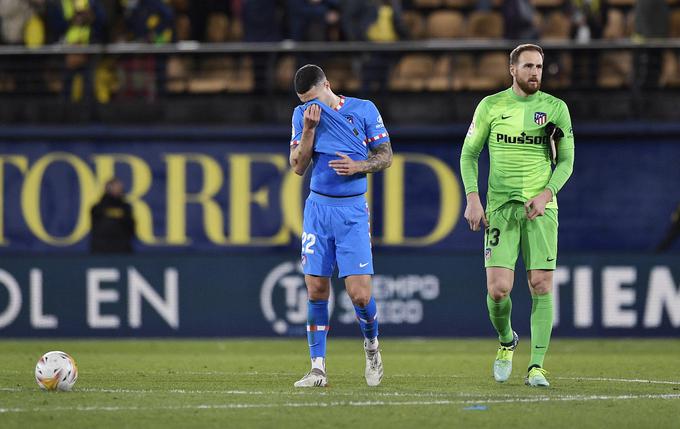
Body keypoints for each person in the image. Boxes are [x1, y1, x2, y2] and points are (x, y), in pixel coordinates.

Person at [459, 44, 575, 388]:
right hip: (500, 209)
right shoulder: (491, 106)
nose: (535, 72)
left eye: (539, 66)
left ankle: (536, 366)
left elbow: (566, 161)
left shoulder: (556, 108)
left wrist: (546, 193)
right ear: (512, 69)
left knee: (540, 285)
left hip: (541, 209)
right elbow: (469, 155)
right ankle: (507, 341)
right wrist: (472, 198)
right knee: (498, 290)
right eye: (528, 66)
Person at [288, 64, 392, 387]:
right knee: (316, 288)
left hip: (351, 212)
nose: (311, 107)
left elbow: (386, 155)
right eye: (305, 102)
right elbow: (297, 166)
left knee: (359, 295)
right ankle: (317, 368)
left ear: (327, 86)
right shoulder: (302, 116)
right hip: (318, 209)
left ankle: (372, 346)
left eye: (313, 99)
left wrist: (358, 165)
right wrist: (307, 131)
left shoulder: (364, 110)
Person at [90, 178, 135, 253]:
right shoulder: (97, 208)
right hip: (101, 250)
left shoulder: (126, 207)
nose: (120, 190)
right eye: (116, 187)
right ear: (108, 188)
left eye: (120, 188)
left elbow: (131, 227)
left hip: (122, 249)